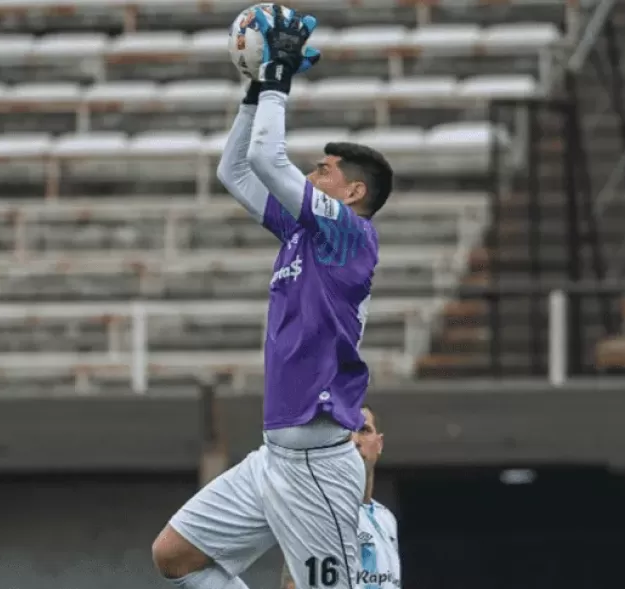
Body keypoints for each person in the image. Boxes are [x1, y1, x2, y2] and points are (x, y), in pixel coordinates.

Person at [151, 6, 394, 589]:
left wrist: (279, 78)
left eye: (324, 170)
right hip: (273, 458)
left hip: (318, 462)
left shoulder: (348, 233)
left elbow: (266, 158)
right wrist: (258, 86)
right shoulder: (301, 230)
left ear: (353, 192)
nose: (311, 175)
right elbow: (235, 170)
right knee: (174, 556)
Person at [281, 405, 401, 589]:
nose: (355, 440)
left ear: (379, 444)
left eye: (364, 430)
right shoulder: (316, 514)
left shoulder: (386, 519)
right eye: (345, 431)